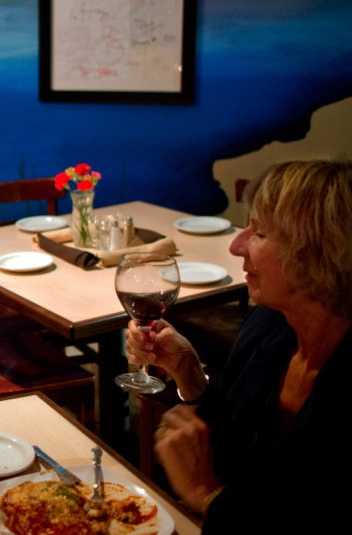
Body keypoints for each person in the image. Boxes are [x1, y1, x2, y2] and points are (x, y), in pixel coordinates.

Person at [125, 160, 351, 534]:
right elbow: (236, 441)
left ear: (317, 253)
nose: (236, 245)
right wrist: (189, 373)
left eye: (259, 233)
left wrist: (205, 493)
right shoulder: (269, 326)